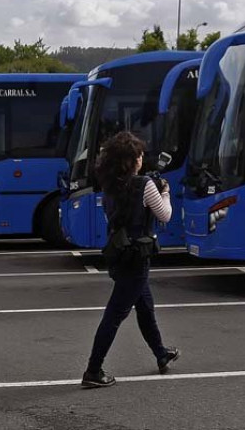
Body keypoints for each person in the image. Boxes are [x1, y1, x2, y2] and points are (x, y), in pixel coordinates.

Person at [82, 131, 179, 389]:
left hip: (119, 252)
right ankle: (93, 369)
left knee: (145, 306)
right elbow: (165, 215)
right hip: (137, 256)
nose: (142, 159)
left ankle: (161, 353)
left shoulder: (110, 185)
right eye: (139, 155)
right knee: (115, 314)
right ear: (131, 159)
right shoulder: (144, 184)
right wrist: (166, 192)